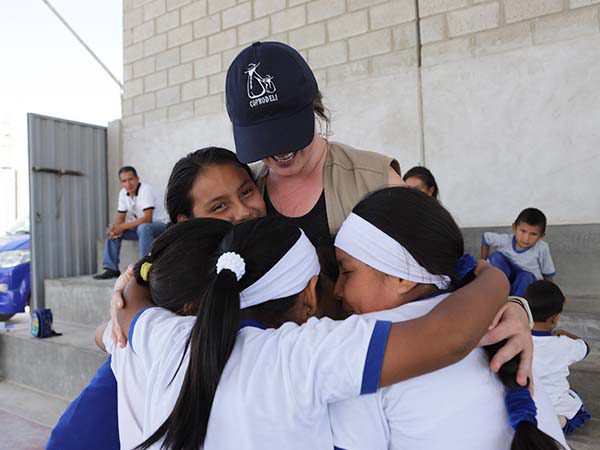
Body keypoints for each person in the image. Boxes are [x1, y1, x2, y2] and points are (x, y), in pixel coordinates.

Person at [100, 215, 509, 449]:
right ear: (311, 294)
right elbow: (449, 337)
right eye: (338, 276)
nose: (342, 293)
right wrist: (495, 279)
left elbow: (120, 319)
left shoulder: (169, 337)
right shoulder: (302, 355)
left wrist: (133, 277)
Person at [47, 149, 266, 450]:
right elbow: (109, 337)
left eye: (247, 192)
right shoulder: (179, 291)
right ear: (186, 221)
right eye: (219, 206)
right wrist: (133, 283)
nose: (242, 212)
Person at [329, 187, 567, 450]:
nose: (337, 291)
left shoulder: (361, 349)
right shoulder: (494, 323)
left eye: (346, 271)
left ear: (402, 278)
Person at [225, 41, 404, 245]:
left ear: (315, 107)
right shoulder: (247, 186)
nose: (280, 149)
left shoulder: (375, 179)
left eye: (287, 131)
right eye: (263, 138)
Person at [526, 280, 592, 435]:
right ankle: (558, 422)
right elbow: (585, 347)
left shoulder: (516, 340)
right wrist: (564, 334)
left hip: (528, 403)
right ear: (554, 319)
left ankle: (544, 421)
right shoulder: (564, 344)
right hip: (556, 404)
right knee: (577, 401)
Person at [94, 166, 168, 280]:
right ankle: (111, 268)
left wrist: (122, 227)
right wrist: (115, 228)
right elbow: (120, 217)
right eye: (124, 181)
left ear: (137, 178)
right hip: (141, 228)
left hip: (161, 226)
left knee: (143, 228)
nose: (128, 184)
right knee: (112, 229)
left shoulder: (145, 190)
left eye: (131, 179)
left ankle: (145, 266)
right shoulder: (123, 193)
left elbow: (147, 218)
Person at [482, 207, 556, 296]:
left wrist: (550, 294)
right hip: (507, 277)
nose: (526, 238)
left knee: (525, 277)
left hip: (527, 282)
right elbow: (486, 238)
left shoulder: (542, 248)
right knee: (495, 257)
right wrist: (484, 262)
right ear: (514, 227)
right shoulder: (505, 240)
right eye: (523, 231)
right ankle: (498, 291)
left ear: (541, 236)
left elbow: (548, 273)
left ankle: (515, 302)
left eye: (533, 234)